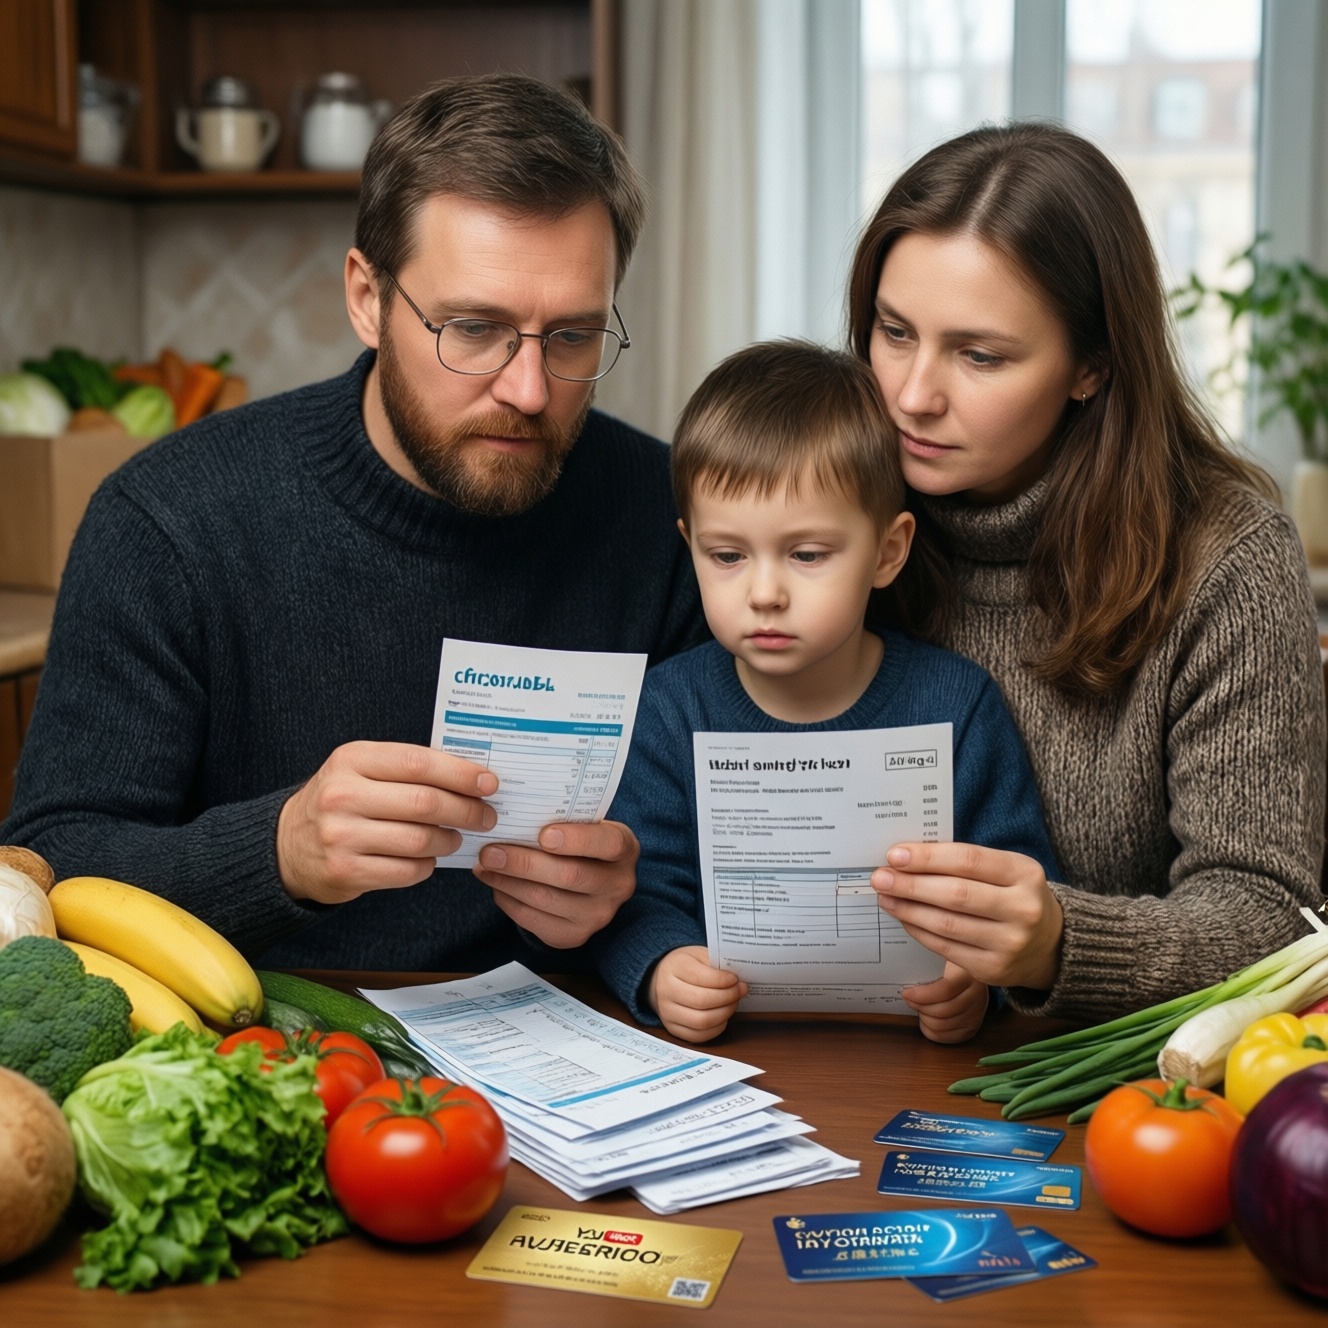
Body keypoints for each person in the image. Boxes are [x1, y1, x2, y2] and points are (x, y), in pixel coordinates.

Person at [0, 74, 707, 972]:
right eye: (474, 329)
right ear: (367, 299)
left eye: (572, 337)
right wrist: (278, 853)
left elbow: (726, 835)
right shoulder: (168, 520)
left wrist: (633, 895)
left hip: (579, 1046)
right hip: (268, 1044)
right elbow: (49, 866)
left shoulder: (668, 514)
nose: (528, 390)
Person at [848, 121, 1326, 1023]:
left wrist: (1060, 944)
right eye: (894, 331)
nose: (913, 394)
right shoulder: (821, 513)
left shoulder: (1227, 558)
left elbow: (1274, 920)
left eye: (980, 355)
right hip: (839, 1056)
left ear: (1091, 367)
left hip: (1096, 1099)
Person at [590, 340, 1059, 1044]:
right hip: (730, 1067)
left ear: (888, 552)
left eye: (807, 555)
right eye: (727, 556)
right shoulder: (670, 708)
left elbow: (1017, 891)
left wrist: (981, 986)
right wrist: (659, 967)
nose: (765, 593)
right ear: (690, 546)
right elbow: (637, 893)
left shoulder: (957, 706)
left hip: (909, 1066)